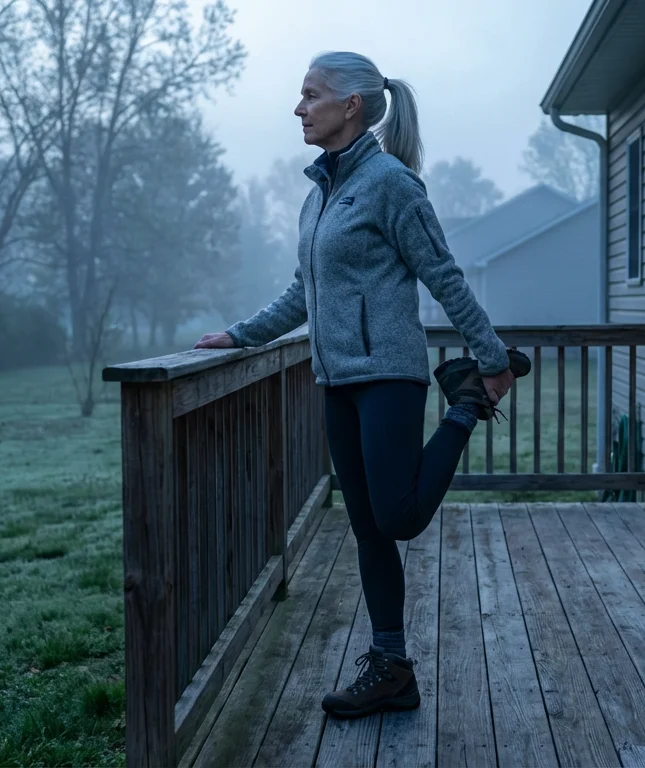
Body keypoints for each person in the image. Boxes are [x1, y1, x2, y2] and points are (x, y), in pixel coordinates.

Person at [193, 50, 530, 719]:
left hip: (389, 375)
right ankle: (392, 668)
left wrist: (492, 362)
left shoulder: (391, 185)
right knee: (367, 532)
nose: (299, 107)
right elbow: (302, 293)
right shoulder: (320, 193)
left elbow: (443, 274)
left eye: (311, 94)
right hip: (336, 379)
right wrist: (241, 334)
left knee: (397, 517)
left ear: (352, 105)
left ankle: (465, 407)